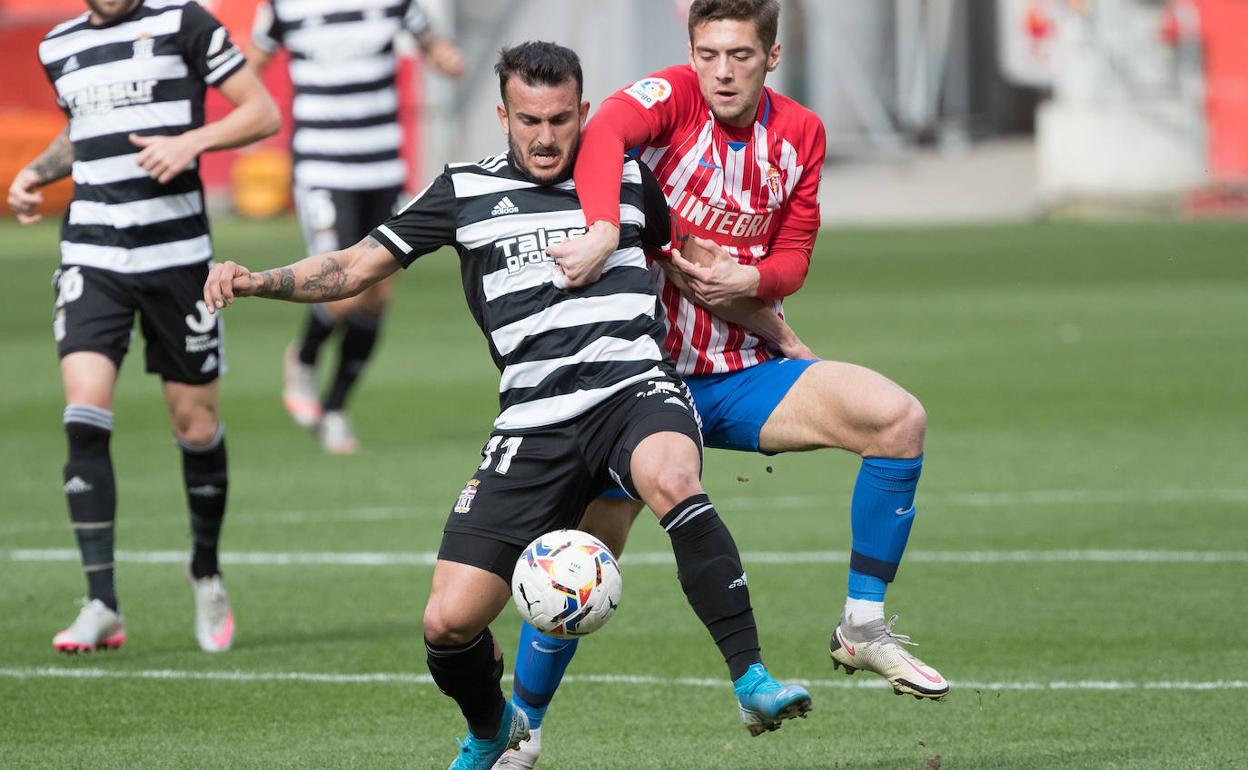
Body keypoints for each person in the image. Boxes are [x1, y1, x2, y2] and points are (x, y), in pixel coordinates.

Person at [203, 41, 810, 769]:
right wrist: (256, 280)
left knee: (674, 476)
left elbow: (696, 277)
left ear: (585, 111)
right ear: (503, 115)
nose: (547, 137)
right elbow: (358, 265)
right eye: (530, 120)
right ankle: (496, 729)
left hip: (633, 391)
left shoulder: (627, 178)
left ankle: (749, 678)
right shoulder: (463, 190)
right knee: (448, 623)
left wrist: (782, 338)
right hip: (531, 422)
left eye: (561, 119)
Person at [496, 1, 947, 765]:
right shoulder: (670, 99)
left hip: (739, 373)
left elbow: (796, 256)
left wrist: (754, 275)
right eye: (708, 53)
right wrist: (606, 226)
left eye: (740, 55)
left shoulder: (800, 133)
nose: (722, 71)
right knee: (582, 560)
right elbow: (602, 132)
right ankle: (524, 730)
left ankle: (862, 624)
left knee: (897, 419)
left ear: (772, 57)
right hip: (635, 387)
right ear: (692, 52)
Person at [7, 0, 280, 653]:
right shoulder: (59, 45)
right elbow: (83, 130)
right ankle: (101, 602)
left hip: (178, 263)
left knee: (195, 425)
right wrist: (37, 172)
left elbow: (261, 111)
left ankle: (206, 570)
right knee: (84, 411)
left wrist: (191, 141)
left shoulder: (185, 24)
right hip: (93, 257)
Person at [246, 0, 464, 454]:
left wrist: (443, 56)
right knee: (342, 291)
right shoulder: (283, 7)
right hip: (324, 167)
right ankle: (304, 357)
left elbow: (430, 40)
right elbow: (252, 63)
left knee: (378, 294)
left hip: (381, 165)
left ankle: (335, 409)